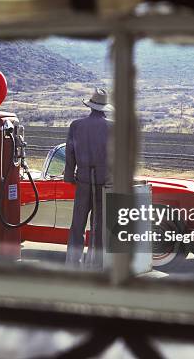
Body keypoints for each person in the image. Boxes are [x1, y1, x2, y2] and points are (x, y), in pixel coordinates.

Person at [64, 88, 113, 269]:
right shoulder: (112, 127)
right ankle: (96, 263)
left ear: (90, 106)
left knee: (77, 223)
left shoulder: (76, 125)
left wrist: (69, 177)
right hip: (104, 182)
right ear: (104, 108)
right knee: (99, 225)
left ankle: (72, 262)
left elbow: (70, 154)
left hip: (83, 181)